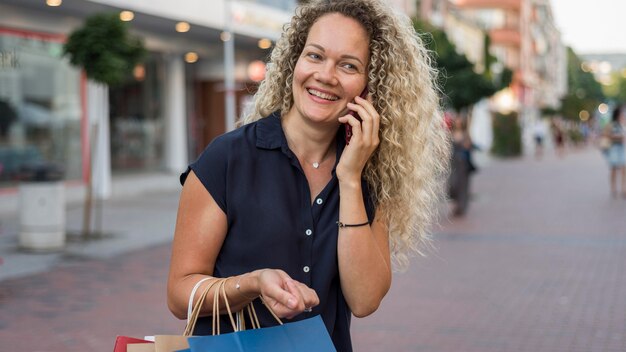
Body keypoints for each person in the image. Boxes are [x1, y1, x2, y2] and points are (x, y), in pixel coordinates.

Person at [166, 1, 449, 350]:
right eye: (315, 56)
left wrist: (349, 178)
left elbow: (364, 300)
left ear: (369, 86)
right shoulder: (227, 159)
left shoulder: (368, 176)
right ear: (294, 62)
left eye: (348, 65)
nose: (326, 75)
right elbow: (180, 297)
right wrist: (252, 284)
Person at [448, 117, 476, 216]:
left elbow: (470, 147)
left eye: (460, 123)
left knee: (463, 187)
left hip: (463, 165)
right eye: (457, 122)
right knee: (453, 185)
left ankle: (461, 207)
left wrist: (467, 145)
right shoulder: (450, 134)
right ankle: (456, 203)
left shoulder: (466, 135)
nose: (458, 124)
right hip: (453, 164)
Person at [603, 106, 625, 198]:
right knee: (613, 169)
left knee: (624, 169)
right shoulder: (611, 124)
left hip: (622, 148)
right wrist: (617, 136)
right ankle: (613, 189)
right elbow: (606, 134)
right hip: (614, 148)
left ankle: (624, 189)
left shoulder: (623, 123)